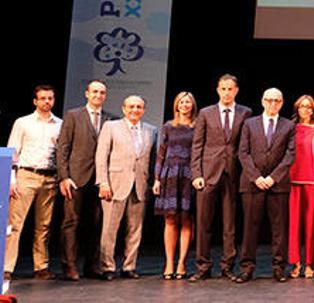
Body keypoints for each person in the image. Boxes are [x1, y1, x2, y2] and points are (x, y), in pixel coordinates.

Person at [189, 74, 253, 282]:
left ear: (236, 91)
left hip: (233, 173)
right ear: (218, 90)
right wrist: (196, 174)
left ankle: (227, 266)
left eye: (230, 89)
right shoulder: (206, 113)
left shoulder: (246, 113)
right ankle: (203, 266)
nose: (226, 92)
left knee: (229, 224)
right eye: (223, 89)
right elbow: (197, 145)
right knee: (204, 222)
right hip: (208, 174)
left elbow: (246, 145)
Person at [236, 88, 296, 283]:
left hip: (277, 185)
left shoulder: (288, 125)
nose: (272, 104)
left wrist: (273, 177)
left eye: (276, 101)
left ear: (282, 103)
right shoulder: (249, 124)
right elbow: (243, 153)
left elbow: (290, 155)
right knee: (249, 228)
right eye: (269, 100)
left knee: (279, 228)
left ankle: (279, 267)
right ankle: (247, 267)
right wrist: (256, 177)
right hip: (252, 184)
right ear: (262, 101)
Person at [56, 79, 113, 281]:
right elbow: (63, 148)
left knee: (96, 224)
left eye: (102, 93)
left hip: (99, 180)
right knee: (71, 222)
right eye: (95, 92)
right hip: (76, 178)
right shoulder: (73, 115)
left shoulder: (110, 119)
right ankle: (69, 265)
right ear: (87, 93)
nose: (98, 95)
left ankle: (92, 265)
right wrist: (64, 177)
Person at [95, 95, 157, 280]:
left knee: (135, 229)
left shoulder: (151, 130)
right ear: (123, 108)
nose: (135, 110)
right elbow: (101, 156)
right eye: (131, 106)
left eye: (139, 107)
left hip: (139, 185)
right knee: (109, 229)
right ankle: (107, 267)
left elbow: (152, 160)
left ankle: (129, 266)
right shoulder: (111, 127)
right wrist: (103, 182)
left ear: (143, 110)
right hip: (114, 185)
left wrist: (152, 182)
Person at [4, 85, 62, 281]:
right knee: (15, 224)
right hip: (26, 175)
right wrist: (11, 179)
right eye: (43, 98)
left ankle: (41, 266)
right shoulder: (23, 123)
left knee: (43, 225)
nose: (47, 101)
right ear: (35, 101)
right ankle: (6, 266)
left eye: (50, 98)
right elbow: (12, 151)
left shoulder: (60, 124)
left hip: (49, 177)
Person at [152, 91, 198, 280]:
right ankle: (169, 262)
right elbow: (161, 153)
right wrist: (156, 178)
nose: (185, 105)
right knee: (170, 219)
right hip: (169, 174)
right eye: (181, 102)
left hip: (189, 174)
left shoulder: (197, 126)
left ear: (192, 106)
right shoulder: (168, 126)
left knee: (187, 219)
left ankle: (182, 263)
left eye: (188, 102)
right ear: (176, 105)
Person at [287, 95, 314, 279]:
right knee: (294, 225)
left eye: (309, 107)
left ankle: (309, 263)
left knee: (310, 224)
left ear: (313, 110)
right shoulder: (290, 128)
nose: (306, 110)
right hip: (293, 180)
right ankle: (295, 263)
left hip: (312, 180)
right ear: (297, 109)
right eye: (302, 106)